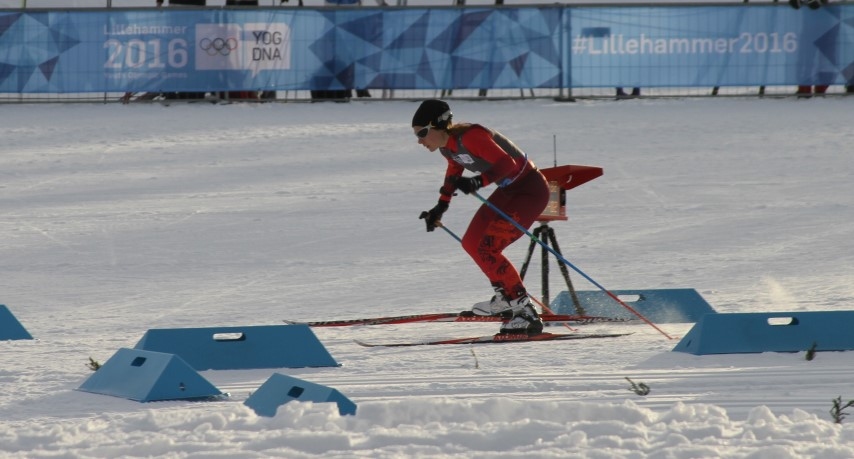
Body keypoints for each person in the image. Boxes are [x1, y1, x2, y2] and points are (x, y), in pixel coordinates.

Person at [413, 99, 550, 335]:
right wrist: (440, 207)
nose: (420, 141)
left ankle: (524, 310)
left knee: (488, 247)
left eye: (423, 133)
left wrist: (478, 181)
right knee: (471, 243)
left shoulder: (471, 137)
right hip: (508, 191)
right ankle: (505, 298)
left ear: (439, 125)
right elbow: (454, 172)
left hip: (530, 190)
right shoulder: (448, 148)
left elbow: (508, 162)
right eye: (416, 135)